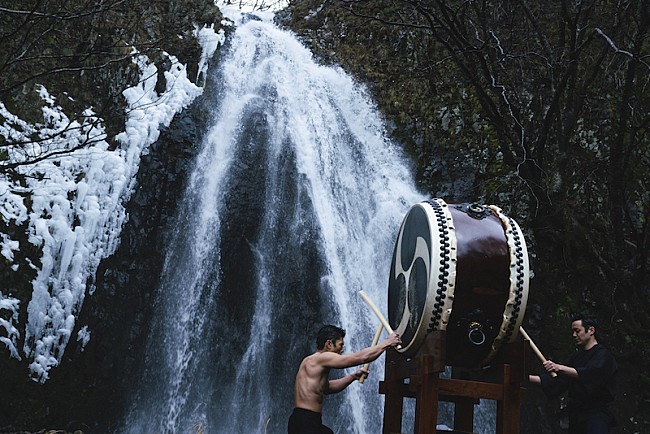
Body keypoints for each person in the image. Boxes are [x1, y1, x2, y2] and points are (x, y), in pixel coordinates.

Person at [288, 324, 401, 434]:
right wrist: (387, 343)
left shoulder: (311, 362)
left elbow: (327, 388)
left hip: (305, 420)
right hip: (305, 421)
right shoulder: (322, 357)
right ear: (329, 344)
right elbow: (361, 357)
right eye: (340, 345)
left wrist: (353, 377)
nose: (342, 350)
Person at [528, 312, 617, 434]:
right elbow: (558, 382)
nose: (574, 335)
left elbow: (592, 374)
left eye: (577, 331)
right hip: (576, 416)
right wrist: (526, 378)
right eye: (573, 331)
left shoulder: (603, 355)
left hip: (596, 415)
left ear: (591, 330)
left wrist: (559, 367)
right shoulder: (575, 358)